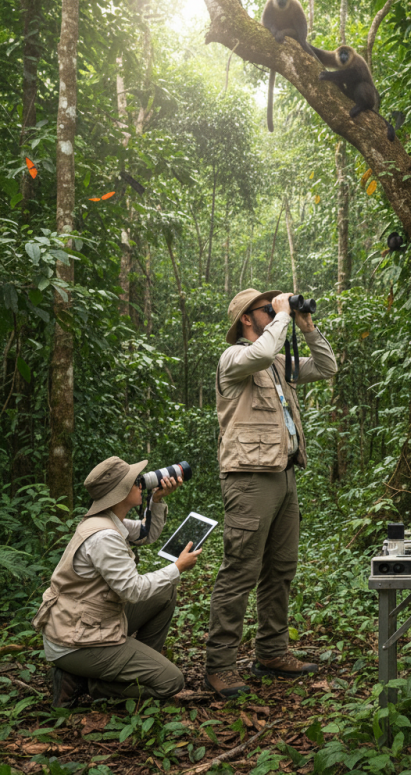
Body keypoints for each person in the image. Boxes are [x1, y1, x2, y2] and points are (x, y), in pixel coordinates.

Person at [204, 289, 337, 698]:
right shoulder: (235, 360)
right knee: (240, 571)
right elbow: (258, 355)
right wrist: (281, 317)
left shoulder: (279, 363)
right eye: (267, 308)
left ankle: (272, 652)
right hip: (248, 478)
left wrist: (307, 326)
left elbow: (327, 367)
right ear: (248, 319)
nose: (275, 311)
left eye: (275, 306)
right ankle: (220, 665)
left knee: (281, 569)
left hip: (284, 474)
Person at [33, 457, 201, 707]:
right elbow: (133, 590)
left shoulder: (108, 521)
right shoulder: (104, 537)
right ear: (120, 493)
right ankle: (87, 683)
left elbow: (147, 533)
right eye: (135, 482)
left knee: (164, 593)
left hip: (88, 623)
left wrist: (156, 500)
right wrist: (177, 567)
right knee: (171, 682)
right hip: (76, 641)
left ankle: (135, 664)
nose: (141, 483)